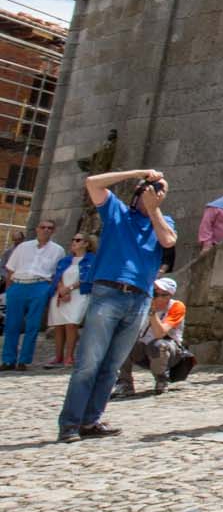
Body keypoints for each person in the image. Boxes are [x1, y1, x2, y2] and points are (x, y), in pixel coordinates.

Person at [57, 168, 176, 441]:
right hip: (108, 292)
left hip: (139, 298)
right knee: (89, 362)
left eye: (162, 192)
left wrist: (153, 208)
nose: (158, 194)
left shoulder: (163, 220)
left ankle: (91, 421)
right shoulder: (118, 212)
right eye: (154, 189)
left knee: (112, 365)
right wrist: (139, 173)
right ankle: (70, 425)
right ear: (138, 191)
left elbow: (168, 240)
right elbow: (92, 183)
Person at [116, 278, 191, 400]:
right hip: (143, 349)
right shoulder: (141, 303)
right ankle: (124, 383)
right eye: (154, 292)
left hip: (168, 351)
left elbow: (160, 333)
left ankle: (161, 378)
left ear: (169, 295)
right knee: (123, 344)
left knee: (158, 345)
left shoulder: (176, 306)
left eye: (161, 294)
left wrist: (152, 312)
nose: (156, 296)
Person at [3, 218, 63, 369]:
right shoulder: (23, 247)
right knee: (11, 324)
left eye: (50, 228)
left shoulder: (58, 250)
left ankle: (24, 360)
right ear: (37, 229)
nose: (46, 230)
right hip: (19, 285)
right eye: (43, 227)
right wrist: (10, 289)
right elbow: (10, 268)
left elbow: (58, 273)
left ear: (53, 231)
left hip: (40, 285)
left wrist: (48, 289)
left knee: (33, 325)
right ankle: (8, 360)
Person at [47, 230, 96, 368]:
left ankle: (69, 356)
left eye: (78, 240)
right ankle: (58, 356)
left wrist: (69, 289)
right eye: (73, 239)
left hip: (79, 294)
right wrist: (62, 289)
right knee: (59, 325)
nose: (74, 242)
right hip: (60, 294)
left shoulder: (92, 259)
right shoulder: (65, 260)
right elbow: (57, 276)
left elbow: (88, 278)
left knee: (71, 323)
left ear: (86, 244)